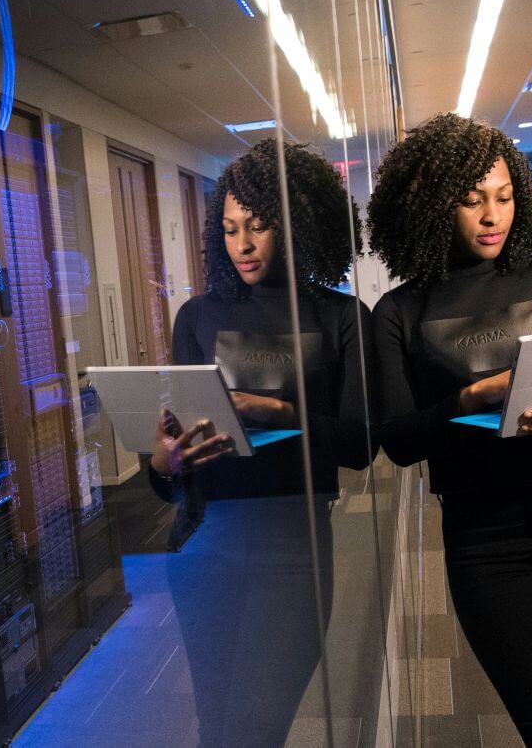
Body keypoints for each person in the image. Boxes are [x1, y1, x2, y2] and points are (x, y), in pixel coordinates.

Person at [366, 113, 532, 747]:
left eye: (505, 196)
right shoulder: (399, 311)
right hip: (485, 542)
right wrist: (468, 398)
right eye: (471, 200)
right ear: (433, 208)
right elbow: (400, 441)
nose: (493, 215)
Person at [145, 137, 373, 746]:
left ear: (296, 225)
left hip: (293, 543)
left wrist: (277, 412)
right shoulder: (196, 316)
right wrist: (165, 465)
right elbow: (175, 464)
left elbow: (360, 444)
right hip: (203, 540)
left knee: (255, 726)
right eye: (229, 229)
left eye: (258, 226)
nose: (241, 244)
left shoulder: (342, 317)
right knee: (217, 727)